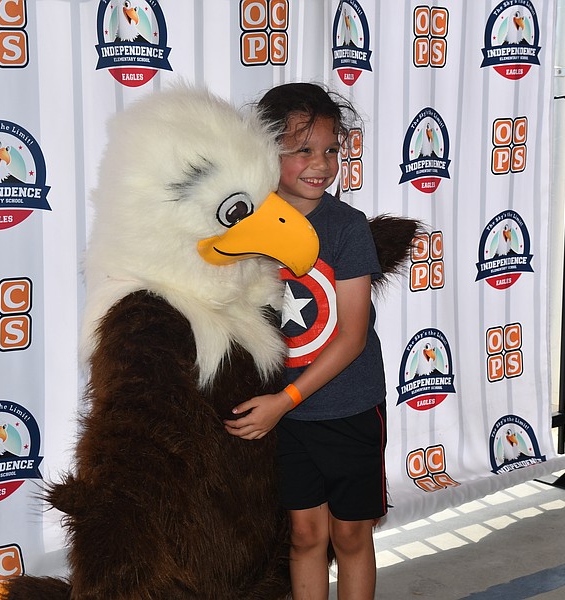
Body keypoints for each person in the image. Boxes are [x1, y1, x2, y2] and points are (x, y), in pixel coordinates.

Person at [224, 82, 388, 600]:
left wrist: (284, 401)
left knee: (351, 536)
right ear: (266, 150)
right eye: (303, 150)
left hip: (348, 408)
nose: (321, 165)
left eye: (331, 150)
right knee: (304, 536)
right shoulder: (245, 225)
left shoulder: (347, 228)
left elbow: (352, 337)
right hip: (287, 417)